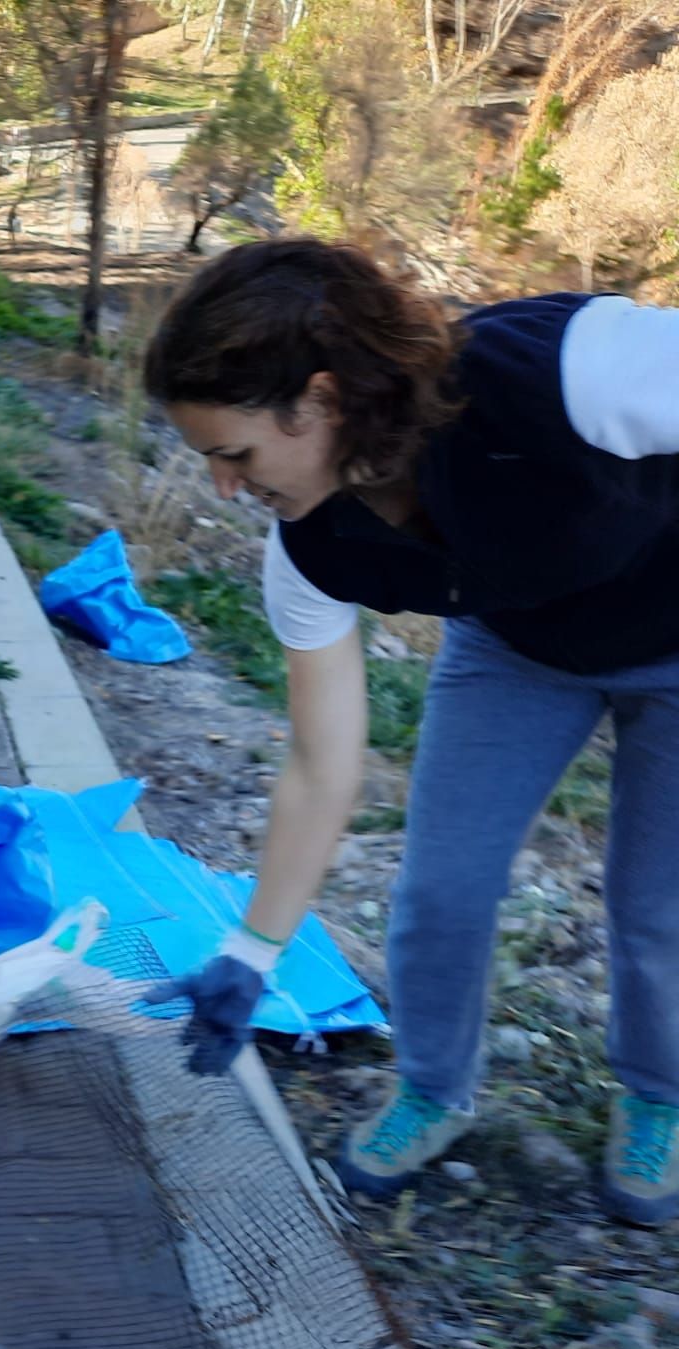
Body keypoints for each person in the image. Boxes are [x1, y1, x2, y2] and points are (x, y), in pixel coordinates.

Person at [140, 238, 679, 1230]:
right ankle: (433, 1086)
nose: (225, 490)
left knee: (654, 911)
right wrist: (250, 952)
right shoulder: (309, 547)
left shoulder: (567, 371)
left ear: (317, 400)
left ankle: (659, 1096)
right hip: (517, 650)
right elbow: (319, 763)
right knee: (440, 888)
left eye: (233, 455)